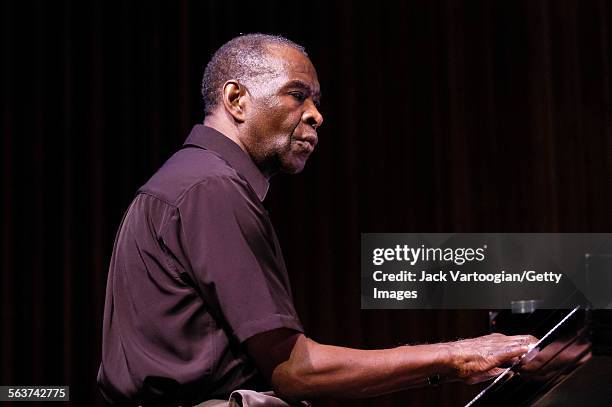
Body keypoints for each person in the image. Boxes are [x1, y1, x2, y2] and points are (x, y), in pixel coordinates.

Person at [97, 34, 537, 406]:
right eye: (297, 94)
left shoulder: (185, 181)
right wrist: (456, 355)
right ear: (236, 99)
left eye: (316, 100)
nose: (316, 114)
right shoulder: (210, 188)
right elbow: (295, 371)